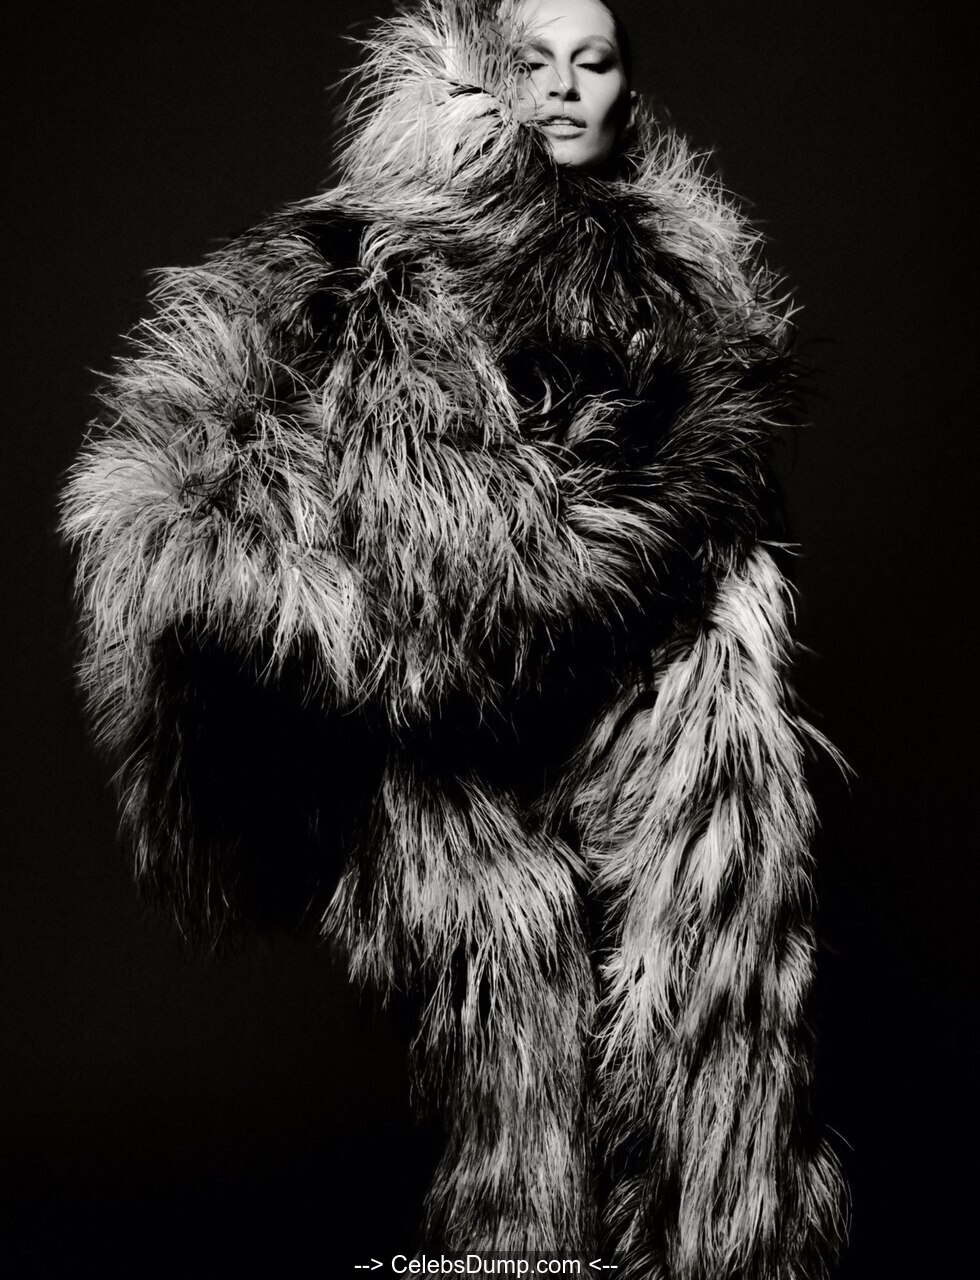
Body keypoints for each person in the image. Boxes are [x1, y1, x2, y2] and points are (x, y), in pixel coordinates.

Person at [60, 0, 845, 1273]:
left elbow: (721, 542)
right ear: (482, 72)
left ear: (627, 86)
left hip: (659, 737)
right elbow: (169, 494)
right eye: (533, 60)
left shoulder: (697, 296)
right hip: (464, 766)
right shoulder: (359, 257)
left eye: (593, 61)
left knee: (707, 1071)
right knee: (520, 1086)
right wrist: (341, 618)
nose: (564, 88)